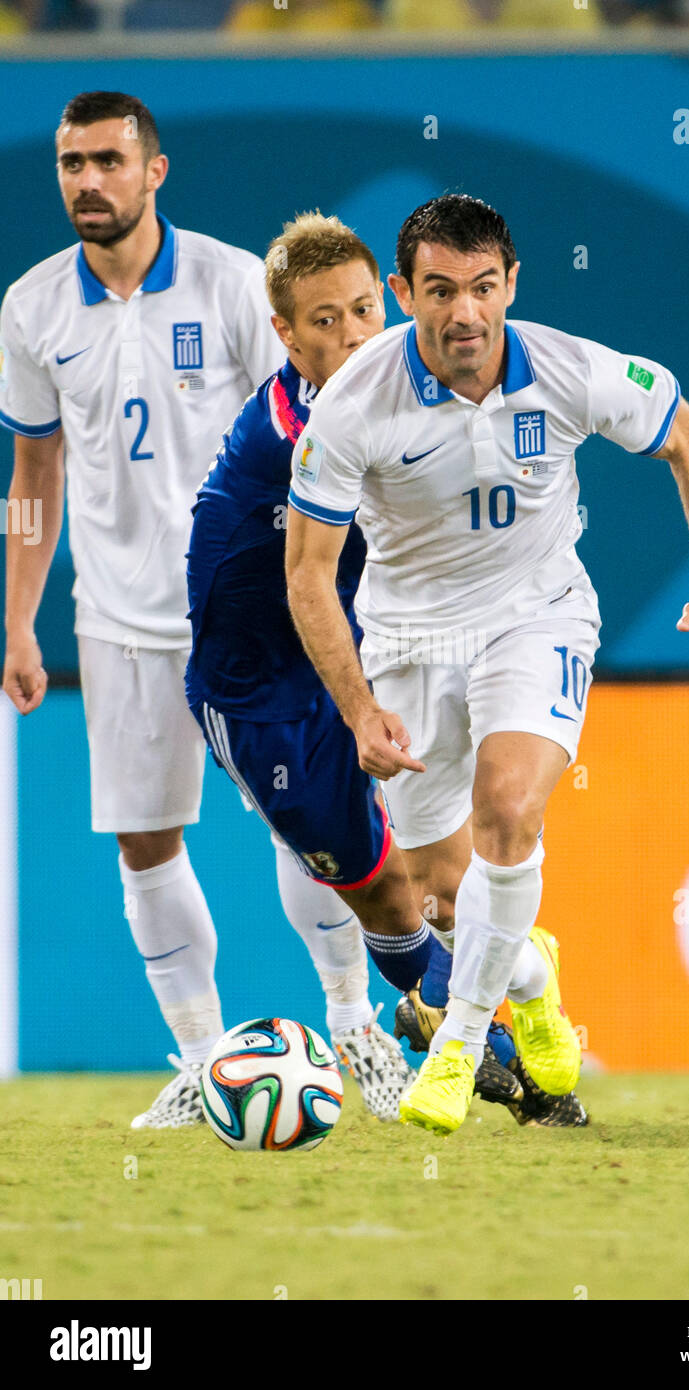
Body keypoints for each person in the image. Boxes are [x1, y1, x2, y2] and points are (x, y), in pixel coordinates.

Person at [285, 193, 689, 1135]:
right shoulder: (350, 405)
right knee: (439, 898)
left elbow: (688, 439)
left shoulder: (570, 369)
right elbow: (306, 573)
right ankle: (530, 982)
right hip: (409, 644)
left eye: (484, 287)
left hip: (533, 618)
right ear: (402, 291)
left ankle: (455, 1048)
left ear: (512, 283)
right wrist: (359, 708)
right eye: (441, 291)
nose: (465, 313)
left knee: (509, 806)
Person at [186, 211, 588, 1129]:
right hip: (267, 691)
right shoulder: (300, 430)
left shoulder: (405, 398)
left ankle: (499, 1055)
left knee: (453, 877)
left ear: (389, 301)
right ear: (283, 334)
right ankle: (464, 1012)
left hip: (372, 658)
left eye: (365, 310)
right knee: (381, 894)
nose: (355, 336)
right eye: (324, 321)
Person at [1, 90, 326, 1130]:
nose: (87, 180)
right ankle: (203, 1062)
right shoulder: (30, 309)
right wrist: (17, 617)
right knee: (144, 839)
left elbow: (309, 441)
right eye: (70, 162)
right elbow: (33, 475)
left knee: (305, 820)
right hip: (118, 617)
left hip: (250, 609)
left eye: (107, 159)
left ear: (155, 171)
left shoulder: (235, 286)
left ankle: (358, 1029)